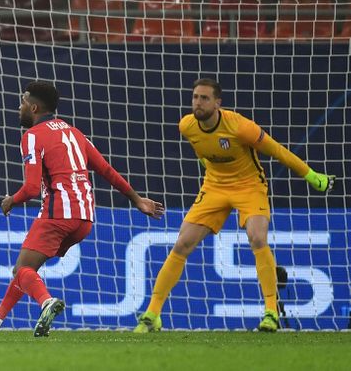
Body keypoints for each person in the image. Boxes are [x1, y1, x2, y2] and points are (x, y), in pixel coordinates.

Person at [134, 78, 336, 334]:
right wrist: (210, 173)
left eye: (204, 98)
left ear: (217, 103)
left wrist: (312, 176)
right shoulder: (187, 125)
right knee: (182, 243)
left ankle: (271, 312)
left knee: (257, 237)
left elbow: (277, 151)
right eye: (195, 97)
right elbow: (203, 153)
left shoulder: (240, 127)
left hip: (249, 186)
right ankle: (153, 314)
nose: (198, 102)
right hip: (215, 187)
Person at [0, 81, 164, 337]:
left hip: (58, 212)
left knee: (22, 270)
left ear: (34, 106)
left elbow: (31, 188)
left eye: (22, 102)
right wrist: (137, 199)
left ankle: (46, 302)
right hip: (85, 218)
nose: (19, 108)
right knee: (25, 270)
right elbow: (106, 170)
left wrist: (11, 201)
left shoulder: (32, 136)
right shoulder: (75, 133)